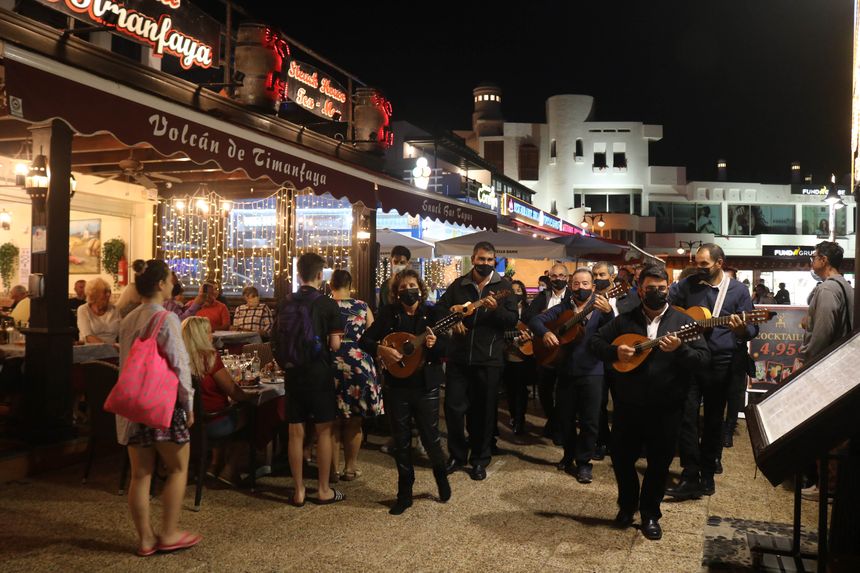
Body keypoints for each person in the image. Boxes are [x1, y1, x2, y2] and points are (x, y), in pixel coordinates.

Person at [591, 264, 711, 540]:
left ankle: (650, 513)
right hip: (628, 405)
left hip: (667, 406)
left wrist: (680, 350)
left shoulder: (684, 322)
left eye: (661, 288)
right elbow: (595, 342)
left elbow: (703, 360)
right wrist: (614, 352)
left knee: (659, 463)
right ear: (640, 290)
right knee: (621, 459)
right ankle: (627, 505)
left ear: (668, 288)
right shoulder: (625, 320)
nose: (657, 292)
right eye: (650, 288)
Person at [117, 260, 201, 556]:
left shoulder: (128, 319)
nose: (172, 284)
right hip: (163, 405)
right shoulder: (167, 318)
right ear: (159, 284)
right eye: (169, 279)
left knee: (140, 474)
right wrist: (188, 404)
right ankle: (169, 532)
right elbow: (180, 364)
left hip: (135, 405)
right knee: (178, 468)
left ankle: (145, 539)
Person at [666, 244, 758, 500]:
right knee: (686, 416)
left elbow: (752, 328)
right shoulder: (688, 285)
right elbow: (670, 310)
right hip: (691, 357)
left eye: (704, 264)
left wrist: (741, 330)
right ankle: (690, 472)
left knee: (714, 420)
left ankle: (707, 473)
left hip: (721, 362)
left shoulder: (738, 291)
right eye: (697, 263)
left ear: (719, 263)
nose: (699, 268)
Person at [360, 269, 452, 514]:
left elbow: (448, 347)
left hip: (425, 386)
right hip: (397, 386)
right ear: (396, 292)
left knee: (431, 439)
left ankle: (441, 476)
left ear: (420, 289)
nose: (408, 291)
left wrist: (435, 344)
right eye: (403, 287)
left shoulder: (433, 314)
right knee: (401, 442)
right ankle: (404, 494)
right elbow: (365, 340)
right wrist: (382, 350)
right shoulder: (389, 314)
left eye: (412, 286)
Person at [436, 241, 518, 480]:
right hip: (458, 358)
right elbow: (438, 310)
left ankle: (480, 459)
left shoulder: (504, 287)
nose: (485, 263)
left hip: (488, 359)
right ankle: (457, 455)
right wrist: (453, 318)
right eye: (481, 259)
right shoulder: (459, 284)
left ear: (495, 261)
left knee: (483, 412)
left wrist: (495, 310)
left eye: (489, 260)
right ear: (473, 259)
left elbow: (512, 320)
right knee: (453, 409)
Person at [272, 252, 345, 506]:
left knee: (295, 431)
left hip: (293, 372)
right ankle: (323, 489)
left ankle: (298, 491)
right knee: (324, 430)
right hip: (319, 372)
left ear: (299, 274)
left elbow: (275, 338)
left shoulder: (284, 302)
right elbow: (335, 345)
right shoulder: (327, 304)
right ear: (319, 275)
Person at [530, 268, 614, 484]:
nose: (580, 288)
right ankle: (569, 454)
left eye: (585, 284)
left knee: (590, 421)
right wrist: (546, 333)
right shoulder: (563, 307)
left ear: (593, 287)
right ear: (570, 285)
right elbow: (536, 321)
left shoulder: (601, 307)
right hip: (566, 371)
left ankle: (584, 462)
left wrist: (608, 314)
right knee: (564, 418)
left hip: (593, 372)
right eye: (576, 284)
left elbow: (612, 332)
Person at [181, 315, 253, 485]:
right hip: (212, 422)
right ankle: (230, 469)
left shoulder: (177, 358)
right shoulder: (209, 358)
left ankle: (214, 465)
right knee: (250, 415)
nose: (212, 336)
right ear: (200, 336)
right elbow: (234, 392)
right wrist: (250, 396)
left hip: (185, 423)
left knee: (224, 410)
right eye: (208, 332)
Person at [329, 270, 381, 481]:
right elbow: (374, 336)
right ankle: (350, 468)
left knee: (331, 421)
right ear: (350, 285)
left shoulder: (324, 305)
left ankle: (332, 470)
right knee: (355, 420)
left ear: (331, 285)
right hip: (359, 363)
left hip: (331, 362)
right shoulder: (362, 306)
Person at [523, 262, 571, 444]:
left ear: (567, 277)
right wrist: (542, 317)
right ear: (549, 278)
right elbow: (527, 316)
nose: (558, 279)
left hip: (565, 350)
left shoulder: (572, 297)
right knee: (544, 390)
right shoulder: (542, 296)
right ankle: (553, 419)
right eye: (554, 276)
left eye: (561, 276)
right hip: (546, 349)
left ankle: (558, 426)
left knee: (563, 392)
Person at [801, 241, 854, 364]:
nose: (811, 261)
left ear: (823, 260)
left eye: (813, 257)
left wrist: (810, 361)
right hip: (841, 358)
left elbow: (822, 333)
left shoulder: (827, 288)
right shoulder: (844, 285)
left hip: (827, 362)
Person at [591, 262, 621, 459]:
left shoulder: (626, 297)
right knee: (598, 402)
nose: (597, 278)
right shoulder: (589, 297)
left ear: (612, 277)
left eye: (602, 274)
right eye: (595, 274)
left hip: (620, 355)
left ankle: (619, 441)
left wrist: (610, 311)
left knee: (621, 401)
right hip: (598, 356)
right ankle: (602, 441)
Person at [503, 279, 533, 436]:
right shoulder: (505, 310)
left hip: (523, 355)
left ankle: (520, 420)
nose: (516, 294)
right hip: (508, 354)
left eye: (519, 291)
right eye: (513, 291)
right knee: (510, 389)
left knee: (520, 389)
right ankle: (514, 416)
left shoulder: (529, 310)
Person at [77, 277, 121, 343]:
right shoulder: (83, 310)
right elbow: (88, 337)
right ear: (94, 295)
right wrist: (109, 346)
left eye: (109, 291)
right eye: (105, 292)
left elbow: (122, 332)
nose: (108, 294)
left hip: (113, 348)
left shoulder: (114, 309)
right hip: (91, 348)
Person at [379, 245, 411, 311]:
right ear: (391, 262)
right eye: (395, 262)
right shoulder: (385, 285)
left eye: (402, 262)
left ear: (407, 263)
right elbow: (381, 309)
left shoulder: (412, 284)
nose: (398, 265)